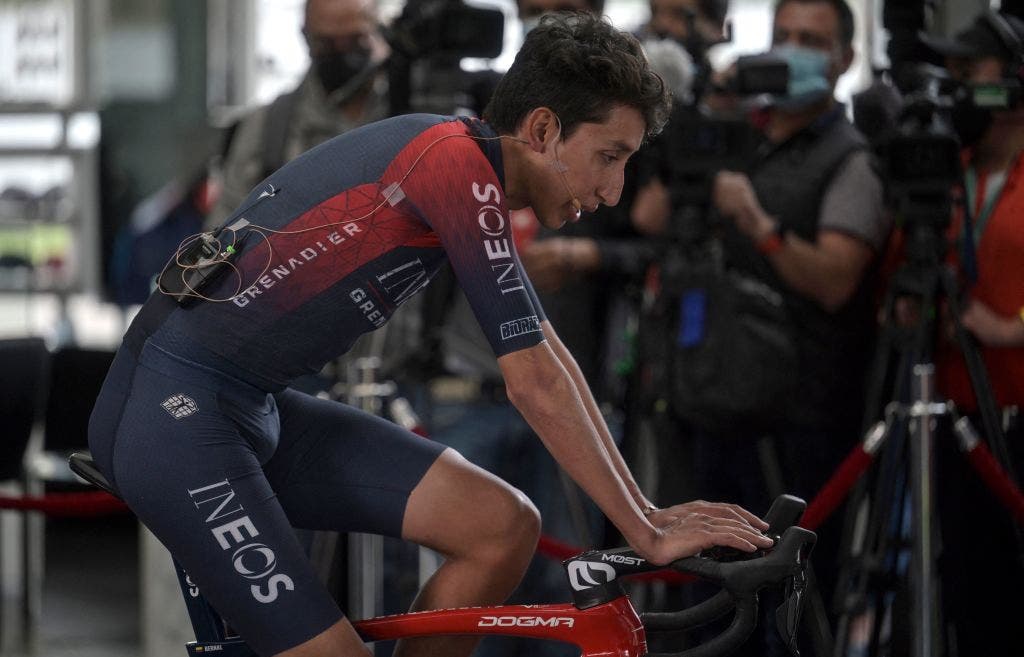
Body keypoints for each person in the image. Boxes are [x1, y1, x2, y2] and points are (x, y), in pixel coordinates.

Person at [87, 13, 773, 657]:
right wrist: (646, 529)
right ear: (541, 129)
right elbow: (532, 382)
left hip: (247, 406)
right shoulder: (455, 167)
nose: (616, 189)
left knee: (502, 526)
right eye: (610, 155)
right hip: (175, 414)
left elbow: (549, 360)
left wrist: (645, 514)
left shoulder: (464, 162)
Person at [644, 0, 887, 653]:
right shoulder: (737, 131)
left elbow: (837, 279)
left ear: (844, 59)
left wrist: (760, 227)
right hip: (709, 403)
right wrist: (705, 117)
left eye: (811, 39)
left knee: (786, 609)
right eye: (782, 37)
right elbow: (648, 214)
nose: (792, 50)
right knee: (706, 602)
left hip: (799, 418)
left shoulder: (851, 157)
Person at [918, 10, 1024, 654]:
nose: (953, 87)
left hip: (1017, 411)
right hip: (950, 416)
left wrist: (1013, 327)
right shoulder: (940, 170)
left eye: (968, 72)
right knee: (968, 589)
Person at [207, 0, 390, 229]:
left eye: (355, 40)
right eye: (327, 44)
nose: (342, 53)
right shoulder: (269, 127)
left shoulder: (412, 111)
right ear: (306, 36)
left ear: (379, 31)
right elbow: (223, 235)